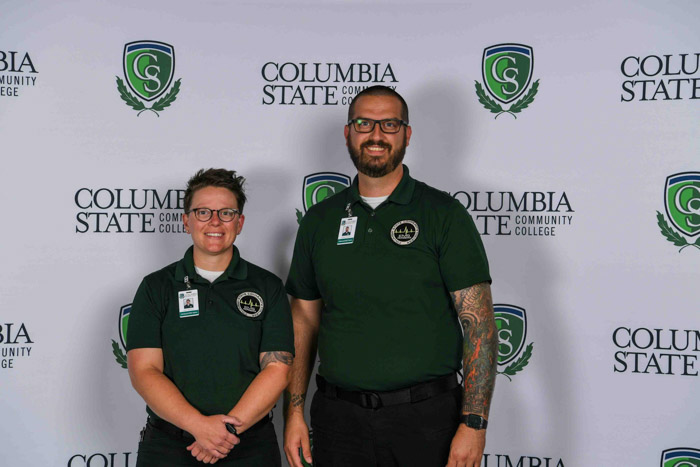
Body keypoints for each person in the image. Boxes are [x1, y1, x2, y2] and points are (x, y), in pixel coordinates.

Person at [284, 86, 497, 467]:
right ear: (348, 133)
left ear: (407, 134)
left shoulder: (443, 215)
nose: (376, 135)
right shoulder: (318, 220)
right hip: (338, 420)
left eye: (390, 124)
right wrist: (294, 412)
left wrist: (474, 424)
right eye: (364, 123)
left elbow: (478, 324)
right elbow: (303, 321)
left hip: (426, 420)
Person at [126, 168, 294, 466]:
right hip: (169, 447)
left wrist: (222, 434)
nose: (215, 222)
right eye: (203, 212)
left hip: (249, 447)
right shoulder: (156, 286)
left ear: (239, 223)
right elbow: (145, 371)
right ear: (185, 220)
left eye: (226, 213)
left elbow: (277, 369)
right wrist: (198, 426)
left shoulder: (268, 286)